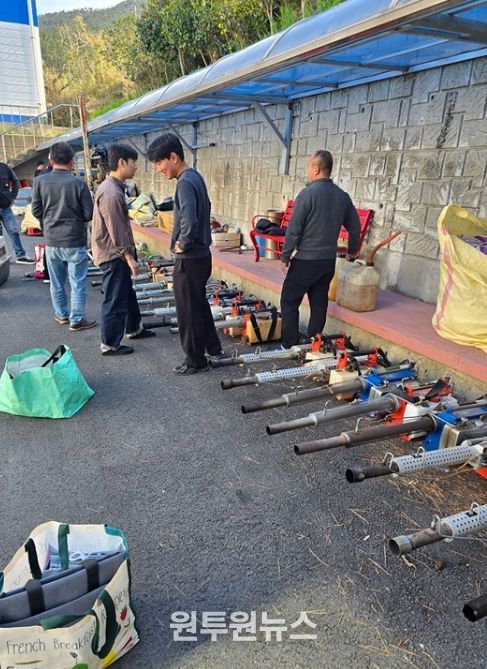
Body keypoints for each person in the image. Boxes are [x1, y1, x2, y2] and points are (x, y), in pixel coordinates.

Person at [148, 132, 224, 374]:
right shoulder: (195, 177)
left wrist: (183, 243)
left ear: (173, 157)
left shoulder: (184, 183)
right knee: (198, 304)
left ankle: (195, 360)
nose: (159, 169)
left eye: (160, 163)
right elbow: (206, 208)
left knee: (187, 311)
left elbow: (189, 220)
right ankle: (213, 348)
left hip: (190, 258)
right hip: (202, 256)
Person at [280, 150, 361, 348]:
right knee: (319, 303)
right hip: (327, 262)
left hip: (305, 261)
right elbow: (355, 227)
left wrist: (285, 256)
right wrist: (352, 250)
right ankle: (313, 343)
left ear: (316, 169)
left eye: (309, 166)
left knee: (289, 300)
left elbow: (294, 229)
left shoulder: (307, 194)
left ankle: (289, 344)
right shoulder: (342, 196)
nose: (307, 169)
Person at [91, 143, 155, 356]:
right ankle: (109, 344)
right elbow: (116, 230)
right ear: (121, 162)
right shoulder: (111, 193)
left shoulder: (112, 187)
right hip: (113, 254)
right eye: (133, 162)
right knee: (115, 298)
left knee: (126, 292)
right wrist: (129, 257)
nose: (135, 167)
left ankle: (134, 328)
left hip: (113, 252)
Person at [32, 142, 96, 330]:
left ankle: (61, 314)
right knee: (77, 283)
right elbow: (88, 214)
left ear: (51, 160)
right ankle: (77, 319)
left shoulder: (39, 181)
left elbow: (36, 210)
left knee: (56, 282)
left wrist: (49, 218)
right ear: (71, 161)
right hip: (74, 239)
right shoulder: (79, 184)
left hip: (52, 239)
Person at [0, 161, 34, 264]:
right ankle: (2, 259)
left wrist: (13, 197)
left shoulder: (5, 168)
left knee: (13, 231)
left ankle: (21, 255)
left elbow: (15, 181)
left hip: (6, 207)